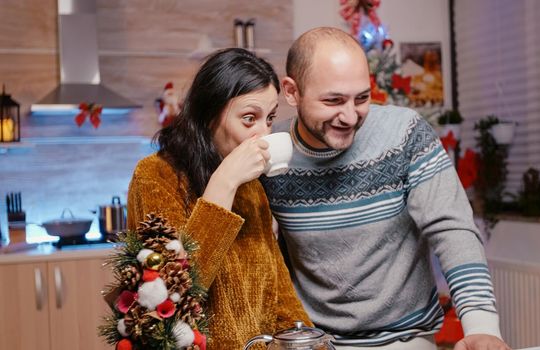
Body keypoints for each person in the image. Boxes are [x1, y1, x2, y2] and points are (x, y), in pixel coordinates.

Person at [260, 27, 510, 350]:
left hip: (404, 339)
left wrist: (481, 324)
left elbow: (453, 227)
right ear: (292, 92)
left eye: (361, 98)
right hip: (315, 341)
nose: (350, 116)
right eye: (333, 100)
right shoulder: (272, 152)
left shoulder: (404, 134)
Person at [126, 48, 311, 349]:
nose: (263, 134)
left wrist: (307, 340)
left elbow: (279, 294)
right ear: (208, 116)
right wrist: (223, 184)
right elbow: (170, 297)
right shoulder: (156, 176)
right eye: (249, 119)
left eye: (270, 119)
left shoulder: (252, 188)